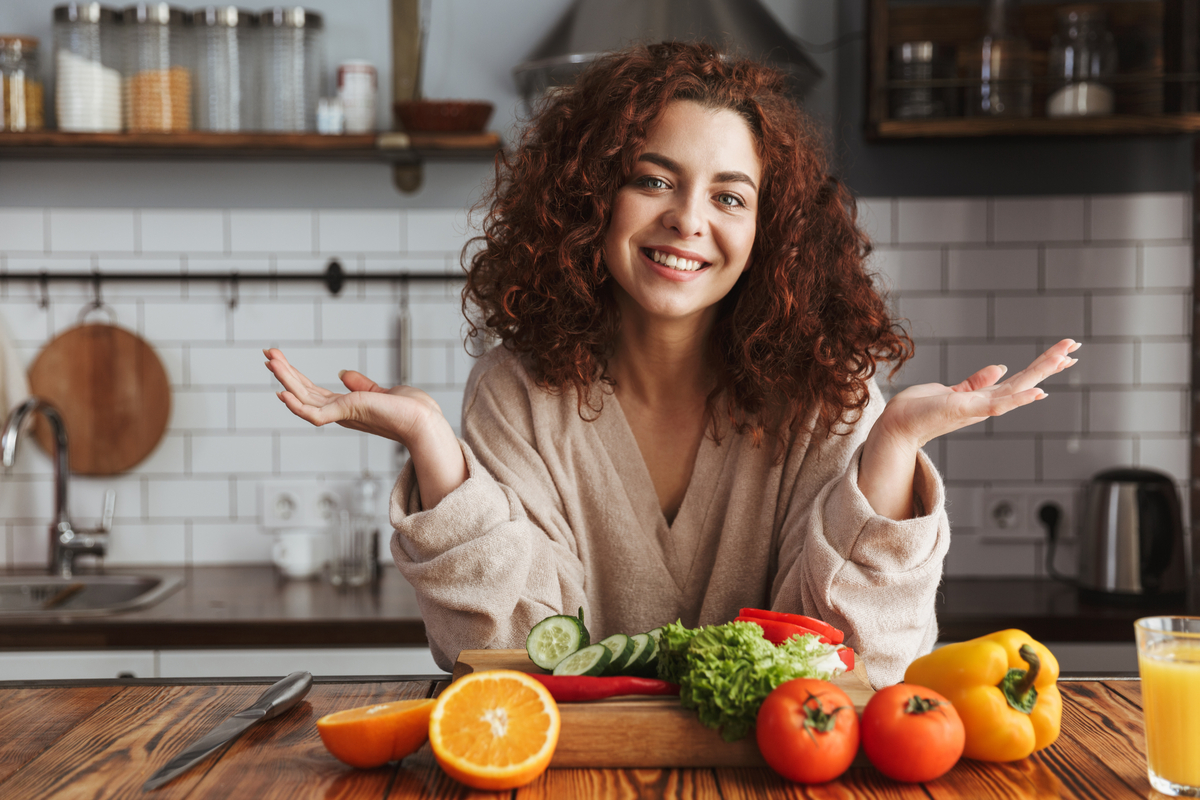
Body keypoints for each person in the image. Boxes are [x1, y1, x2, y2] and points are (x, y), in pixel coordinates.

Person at [265, 42, 1078, 688]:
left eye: (729, 196)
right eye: (654, 180)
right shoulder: (517, 392)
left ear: (770, 231)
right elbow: (509, 654)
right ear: (591, 199)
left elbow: (859, 661)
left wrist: (895, 442)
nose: (688, 221)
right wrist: (434, 450)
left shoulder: (828, 397)